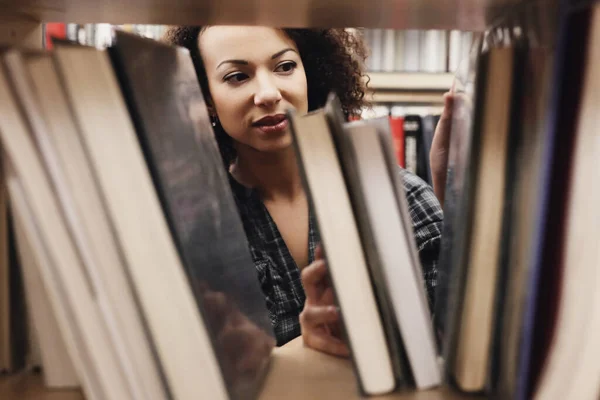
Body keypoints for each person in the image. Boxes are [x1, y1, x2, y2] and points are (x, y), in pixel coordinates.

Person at [163, 26, 451, 357]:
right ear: (206, 99)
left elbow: (450, 344)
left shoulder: (403, 198)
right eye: (237, 76)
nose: (268, 94)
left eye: (285, 67)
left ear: (309, 72)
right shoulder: (195, 227)